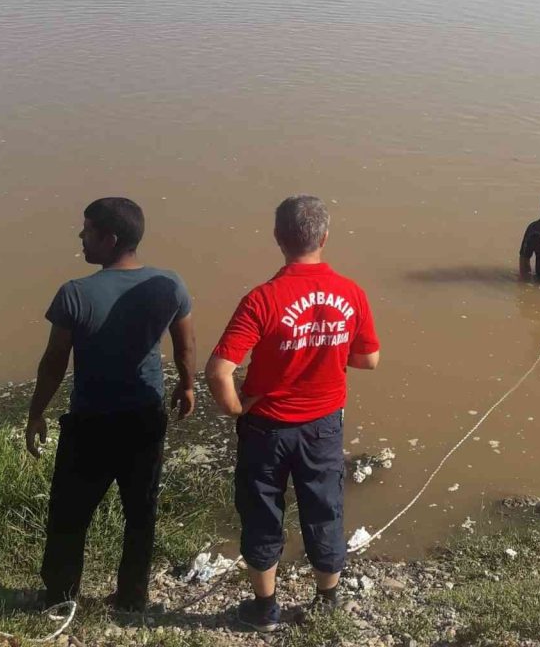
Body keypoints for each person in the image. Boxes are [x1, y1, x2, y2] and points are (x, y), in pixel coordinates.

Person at [206, 195, 380, 632]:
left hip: (266, 427)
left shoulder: (261, 299)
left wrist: (235, 408)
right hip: (322, 426)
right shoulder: (351, 293)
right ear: (324, 237)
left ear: (278, 239)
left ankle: (265, 610)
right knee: (324, 507)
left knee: (262, 510)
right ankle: (327, 601)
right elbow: (369, 359)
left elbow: (218, 372)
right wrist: (327, 349)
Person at [25, 197, 196, 611]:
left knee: (69, 513)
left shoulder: (75, 294)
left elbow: (53, 363)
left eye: (87, 231)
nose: (81, 237)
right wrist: (188, 385)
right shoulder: (170, 284)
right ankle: (133, 596)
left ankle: (61, 597)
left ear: (110, 238)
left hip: (91, 424)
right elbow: (185, 343)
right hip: (145, 417)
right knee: (140, 512)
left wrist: (36, 412)